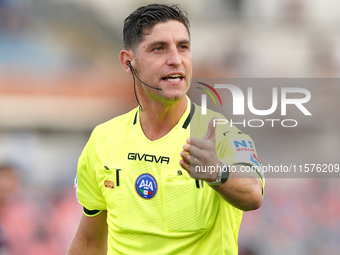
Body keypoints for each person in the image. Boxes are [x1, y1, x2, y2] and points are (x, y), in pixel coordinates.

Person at [67, 3, 264, 255]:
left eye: (183, 47)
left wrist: (218, 173)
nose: (175, 60)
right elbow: (89, 241)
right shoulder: (103, 139)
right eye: (159, 49)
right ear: (129, 62)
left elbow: (253, 193)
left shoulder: (221, 133)